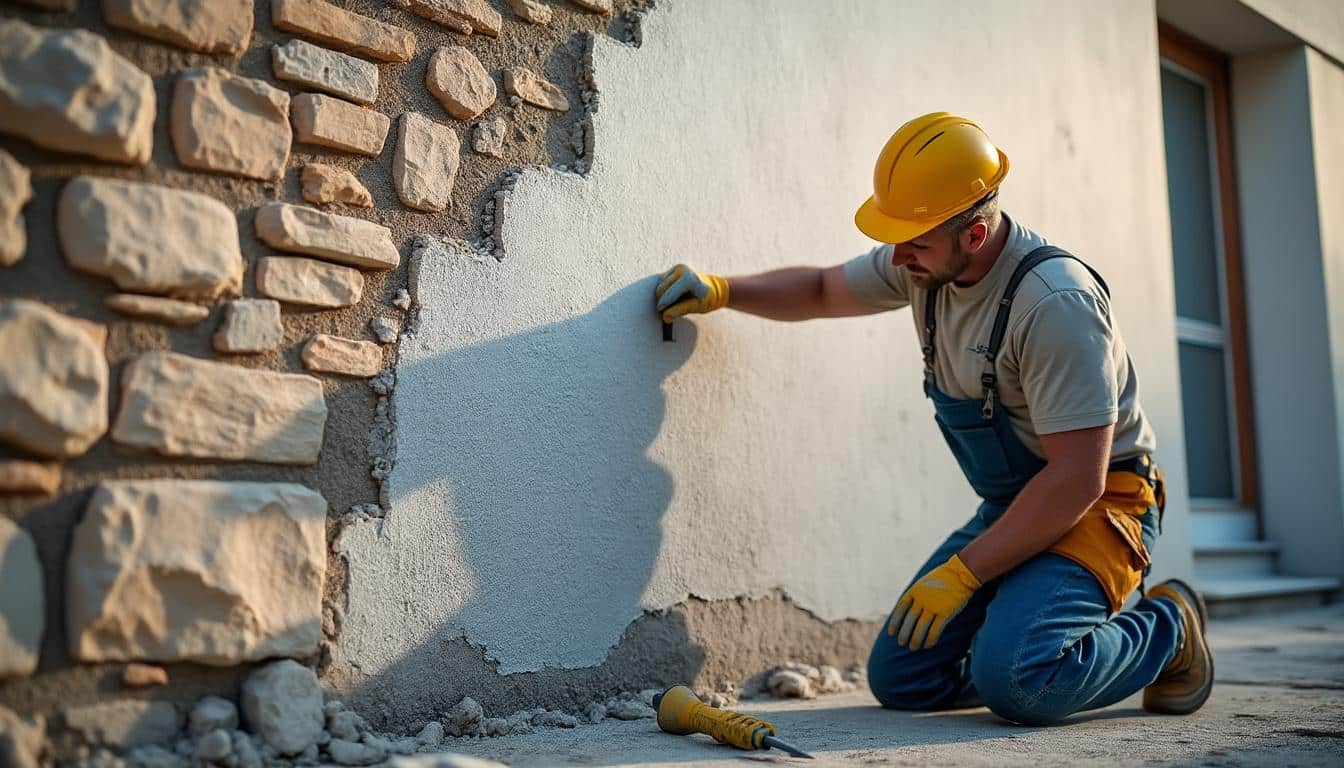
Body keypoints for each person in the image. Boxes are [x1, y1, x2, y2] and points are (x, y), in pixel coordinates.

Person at [652, 112, 1213, 725]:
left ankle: (1170, 628)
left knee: (1020, 682)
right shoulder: (925, 263)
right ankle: (1018, 647)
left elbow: (1079, 479)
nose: (897, 256)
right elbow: (821, 290)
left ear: (974, 234)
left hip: (1103, 501)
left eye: (914, 242)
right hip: (1022, 502)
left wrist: (966, 574)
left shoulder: (1056, 305)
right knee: (905, 678)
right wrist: (722, 291)